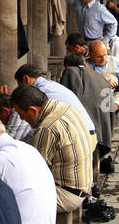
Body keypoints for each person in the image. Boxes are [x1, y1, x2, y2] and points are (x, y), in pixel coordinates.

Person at [9, 84, 94, 215]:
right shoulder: (65, 107)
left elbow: (33, 171)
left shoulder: (47, 127)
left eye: (21, 114)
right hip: (84, 185)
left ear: (33, 110)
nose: (21, 119)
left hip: (67, 194)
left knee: (7, 200)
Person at [12, 64, 98, 137]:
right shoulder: (50, 85)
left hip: (80, 134)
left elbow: (24, 130)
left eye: (20, 86)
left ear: (26, 79)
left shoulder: (41, 92)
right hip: (86, 131)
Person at [46, 0, 117, 43]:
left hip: (96, 41)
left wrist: (105, 41)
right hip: (82, 41)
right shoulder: (77, 0)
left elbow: (113, 23)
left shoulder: (99, 9)